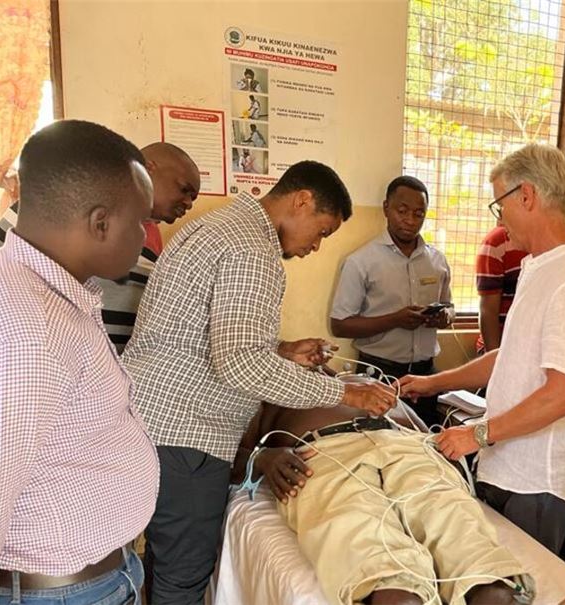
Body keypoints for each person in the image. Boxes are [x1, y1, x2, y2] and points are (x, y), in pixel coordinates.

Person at [123, 161, 397, 604]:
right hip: (187, 436)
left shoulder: (221, 226)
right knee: (183, 577)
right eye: (322, 231)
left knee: (165, 562)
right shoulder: (252, 249)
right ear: (301, 200)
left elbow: (202, 334)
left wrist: (282, 350)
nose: (316, 247)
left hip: (154, 423)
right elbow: (240, 365)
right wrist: (348, 392)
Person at [399, 144, 565, 554]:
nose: (500, 219)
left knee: (524, 587)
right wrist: (431, 383)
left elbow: (564, 395)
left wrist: (478, 433)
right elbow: (508, 356)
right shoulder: (537, 267)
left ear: (526, 196)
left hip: (539, 481)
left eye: (500, 205)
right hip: (509, 465)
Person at [0, 121, 158, 604]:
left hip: (95, 578)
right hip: (62, 593)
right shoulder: (32, 327)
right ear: (100, 223)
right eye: (142, 221)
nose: (147, 235)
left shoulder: (56, 297)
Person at [235, 400, 533, 605]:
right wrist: (261, 459)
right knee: (358, 527)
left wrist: (444, 457)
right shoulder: (275, 395)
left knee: (452, 518)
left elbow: (426, 430)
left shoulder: (369, 384)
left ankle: (487, 586)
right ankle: (396, 590)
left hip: (407, 446)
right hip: (322, 453)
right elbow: (221, 454)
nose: (316, 357)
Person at [0, 142, 201, 353]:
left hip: (110, 367)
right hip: (40, 359)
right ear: (147, 168)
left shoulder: (150, 234)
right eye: (184, 189)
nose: (188, 203)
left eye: (193, 198)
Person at [331, 176, 451, 425]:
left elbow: (450, 309)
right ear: (386, 208)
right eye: (402, 211)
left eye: (419, 213)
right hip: (378, 375)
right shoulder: (361, 262)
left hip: (425, 375)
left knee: (426, 444)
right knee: (381, 446)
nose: (410, 220)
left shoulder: (437, 261)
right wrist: (395, 320)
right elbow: (340, 325)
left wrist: (444, 317)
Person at [475, 224, 526, 354]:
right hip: (503, 346)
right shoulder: (496, 242)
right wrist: (495, 360)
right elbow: (488, 311)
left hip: (539, 350)